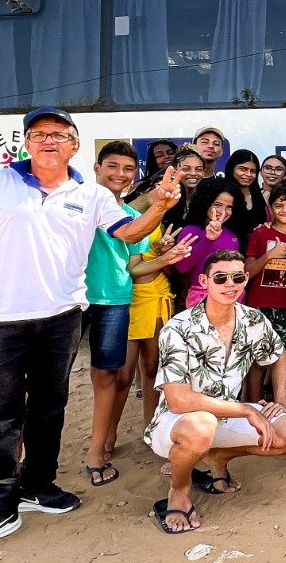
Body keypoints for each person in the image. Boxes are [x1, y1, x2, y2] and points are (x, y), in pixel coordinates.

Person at [0, 107, 180, 561]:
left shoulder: (90, 194)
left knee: (49, 406)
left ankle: (37, 483)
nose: (50, 141)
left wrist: (160, 202)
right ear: (27, 142)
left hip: (61, 317)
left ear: (75, 146)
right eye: (40, 134)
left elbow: (129, 231)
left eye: (60, 135)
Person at [145, 249, 286, 535]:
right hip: (175, 425)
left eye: (237, 277)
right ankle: (179, 489)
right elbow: (178, 399)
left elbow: (278, 354)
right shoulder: (179, 328)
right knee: (201, 425)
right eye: (220, 278)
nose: (229, 284)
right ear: (204, 281)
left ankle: (217, 457)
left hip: (224, 417)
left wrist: (281, 401)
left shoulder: (253, 320)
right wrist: (246, 410)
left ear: (246, 279)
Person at [81, 141, 155, 487]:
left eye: (127, 169)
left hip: (114, 299)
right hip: (67, 300)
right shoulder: (75, 202)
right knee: (40, 383)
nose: (120, 175)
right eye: (112, 166)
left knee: (106, 376)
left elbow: (135, 265)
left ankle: (97, 453)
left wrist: (167, 258)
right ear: (97, 168)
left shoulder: (136, 217)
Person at [128, 222, 191, 427]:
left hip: (156, 295)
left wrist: (165, 255)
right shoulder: (118, 218)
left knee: (152, 367)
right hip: (125, 298)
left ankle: (151, 425)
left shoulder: (160, 225)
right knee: (121, 375)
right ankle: (105, 439)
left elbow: (171, 273)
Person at [246, 182, 286, 360]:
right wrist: (269, 256)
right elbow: (246, 273)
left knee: (284, 358)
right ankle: (255, 390)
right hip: (258, 305)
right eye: (279, 205)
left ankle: (283, 390)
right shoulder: (260, 233)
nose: (285, 210)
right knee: (256, 359)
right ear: (270, 209)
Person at [172, 176, 240, 308]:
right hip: (200, 298)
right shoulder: (191, 230)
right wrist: (208, 239)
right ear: (205, 202)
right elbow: (181, 268)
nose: (223, 212)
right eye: (217, 205)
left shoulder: (232, 233)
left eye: (229, 207)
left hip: (233, 297)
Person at [224, 148, 268, 241]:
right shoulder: (220, 193)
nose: (248, 174)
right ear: (232, 168)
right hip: (227, 249)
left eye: (253, 171)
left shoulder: (261, 195)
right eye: (243, 169)